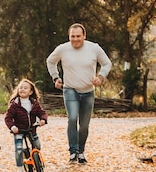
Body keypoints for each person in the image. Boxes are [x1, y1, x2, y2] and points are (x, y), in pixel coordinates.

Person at [46, 23, 112, 164]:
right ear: (69, 36)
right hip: (70, 89)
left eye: (78, 36)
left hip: (88, 91)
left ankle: (81, 152)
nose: (75, 39)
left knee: (84, 125)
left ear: (84, 36)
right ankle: (73, 152)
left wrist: (100, 77)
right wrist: (56, 77)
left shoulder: (93, 48)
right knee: (72, 118)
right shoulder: (63, 49)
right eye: (72, 36)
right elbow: (50, 61)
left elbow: (107, 63)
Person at [4, 79, 48, 172]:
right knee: (19, 149)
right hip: (19, 130)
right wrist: (12, 126)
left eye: (25, 88)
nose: (22, 89)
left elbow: (42, 113)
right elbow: (8, 118)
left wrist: (43, 120)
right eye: (21, 87)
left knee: (37, 145)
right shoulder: (15, 104)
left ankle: (37, 161)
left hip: (31, 129)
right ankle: (19, 169)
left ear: (31, 92)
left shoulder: (34, 103)